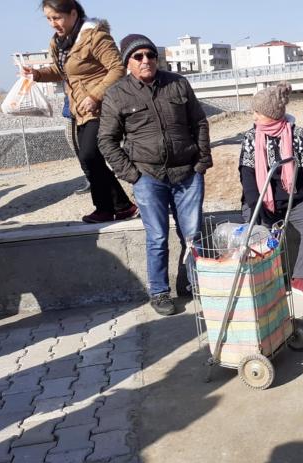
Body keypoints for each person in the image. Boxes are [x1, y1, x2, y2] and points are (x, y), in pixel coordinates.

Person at [98, 34, 212, 316]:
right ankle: (160, 292)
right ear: (128, 63)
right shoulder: (116, 94)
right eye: (138, 57)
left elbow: (198, 121)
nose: (146, 60)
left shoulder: (177, 84)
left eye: (150, 55)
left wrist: (202, 162)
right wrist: (133, 175)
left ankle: (195, 284)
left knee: (194, 234)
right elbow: (107, 141)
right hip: (148, 177)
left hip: (187, 173)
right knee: (158, 237)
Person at [24, 0, 136, 223]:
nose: (53, 24)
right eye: (48, 19)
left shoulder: (96, 37)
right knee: (89, 159)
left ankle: (110, 207)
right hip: (80, 109)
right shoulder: (59, 42)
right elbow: (61, 70)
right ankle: (118, 206)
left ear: (73, 14)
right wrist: (37, 74)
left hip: (104, 106)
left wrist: (96, 95)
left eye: (57, 18)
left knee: (89, 155)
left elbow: (118, 68)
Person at [239, 82, 303, 298]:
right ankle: (266, 281)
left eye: (258, 112)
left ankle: (301, 279)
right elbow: (247, 173)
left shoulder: (297, 134)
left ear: (272, 113)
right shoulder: (251, 136)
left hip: (294, 200)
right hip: (262, 200)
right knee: (257, 233)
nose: (254, 116)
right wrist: (254, 203)